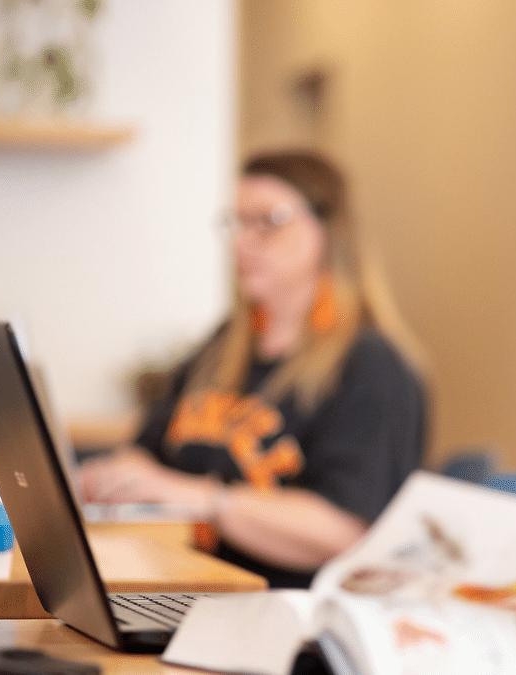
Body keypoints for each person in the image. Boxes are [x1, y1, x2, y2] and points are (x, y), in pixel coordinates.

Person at [79, 150, 429, 589]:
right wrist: (120, 477)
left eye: (267, 221)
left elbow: (346, 532)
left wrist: (201, 499)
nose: (242, 242)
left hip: (285, 622)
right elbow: (148, 448)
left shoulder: (373, 369)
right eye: (236, 223)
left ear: (329, 232)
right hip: (181, 587)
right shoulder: (226, 344)